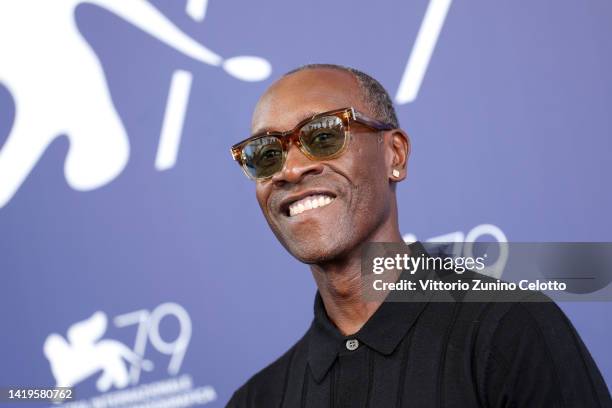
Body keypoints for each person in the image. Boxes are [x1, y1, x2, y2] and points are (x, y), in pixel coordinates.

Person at [227, 64, 611, 407]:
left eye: (324, 136)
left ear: (395, 154)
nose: (290, 170)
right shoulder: (256, 399)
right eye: (265, 155)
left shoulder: (509, 330)